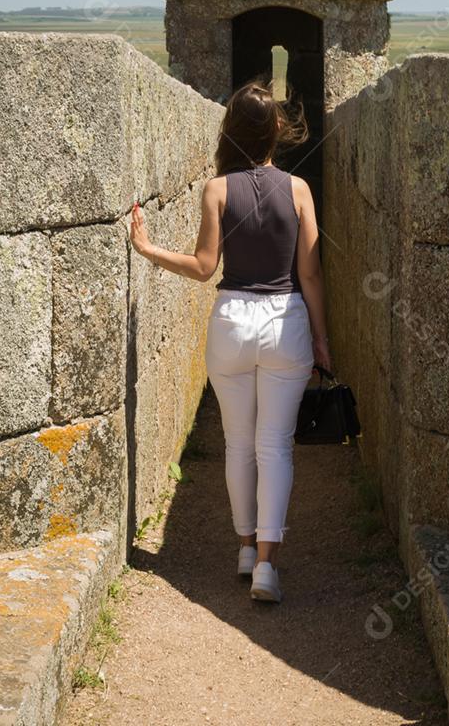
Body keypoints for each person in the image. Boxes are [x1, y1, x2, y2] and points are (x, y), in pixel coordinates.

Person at [129, 80, 331, 604]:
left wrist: (148, 249)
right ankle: (266, 565)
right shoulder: (300, 190)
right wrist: (322, 340)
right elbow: (310, 275)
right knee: (274, 445)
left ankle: (244, 548)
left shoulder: (216, 190)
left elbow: (203, 268)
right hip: (286, 321)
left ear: (230, 130)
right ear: (277, 130)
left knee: (238, 443)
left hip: (232, 322)